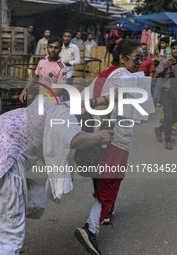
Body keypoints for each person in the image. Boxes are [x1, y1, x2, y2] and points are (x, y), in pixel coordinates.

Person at [0, 85, 113, 254]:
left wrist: (106, 99)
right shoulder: (66, 117)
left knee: (27, 197)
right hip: (0, 159)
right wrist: (100, 136)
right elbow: (74, 139)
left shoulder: (51, 105)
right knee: (9, 238)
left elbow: (82, 104)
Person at [74, 40, 145, 255]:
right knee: (111, 184)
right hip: (115, 138)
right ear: (123, 58)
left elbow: (86, 100)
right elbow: (111, 102)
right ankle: (90, 228)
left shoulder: (104, 74)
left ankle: (105, 213)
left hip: (97, 135)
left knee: (102, 178)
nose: (140, 63)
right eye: (137, 58)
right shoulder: (124, 76)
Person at [19, 36, 67, 103]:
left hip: (53, 102)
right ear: (47, 47)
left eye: (56, 48)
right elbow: (34, 78)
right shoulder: (42, 62)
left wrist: (47, 100)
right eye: (51, 47)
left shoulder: (62, 68)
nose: (53, 50)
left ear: (60, 50)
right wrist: (25, 90)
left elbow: (60, 90)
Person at [153, 41, 177, 150]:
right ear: (171, 50)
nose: (175, 50)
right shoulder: (164, 62)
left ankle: (159, 129)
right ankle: (168, 139)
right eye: (174, 48)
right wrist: (166, 67)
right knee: (168, 116)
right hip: (166, 93)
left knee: (174, 117)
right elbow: (157, 75)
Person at [152, 37, 171, 105]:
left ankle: (152, 103)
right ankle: (159, 101)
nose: (161, 45)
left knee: (157, 88)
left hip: (164, 73)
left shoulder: (168, 51)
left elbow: (168, 63)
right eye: (161, 43)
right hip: (165, 73)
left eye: (163, 43)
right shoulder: (167, 50)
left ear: (167, 44)